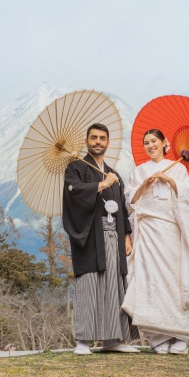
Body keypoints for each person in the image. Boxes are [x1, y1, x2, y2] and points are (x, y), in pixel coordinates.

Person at [62, 123, 139, 355]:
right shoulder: (75, 168)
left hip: (114, 237)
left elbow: (122, 209)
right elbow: (72, 195)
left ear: (107, 143)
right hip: (90, 236)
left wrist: (126, 234)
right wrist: (99, 185)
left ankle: (113, 339)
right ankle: (83, 341)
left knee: (114, 286)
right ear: (86, 141)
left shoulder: (114, 174)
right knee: (89, 285)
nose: (98, 142)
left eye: (102, 138)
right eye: (93, 138)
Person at [121, 129, 189, 355]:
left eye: (154, 141)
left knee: (174, 279)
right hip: (147, 233)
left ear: (164, 143)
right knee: (148, 280)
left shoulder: (178, 168)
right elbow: (129, 199)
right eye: (146, 143)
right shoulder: (139, 171)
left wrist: (170, 180)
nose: (150, 145)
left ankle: (181, 336)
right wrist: (144, 186)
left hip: (170, 233)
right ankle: (156, 336)